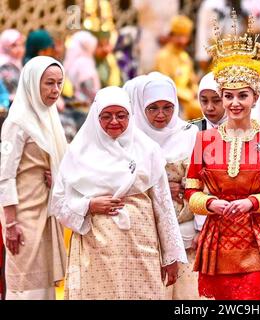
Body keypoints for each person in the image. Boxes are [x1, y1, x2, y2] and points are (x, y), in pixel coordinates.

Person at [185, 14, 260, 300]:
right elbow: (191, 191)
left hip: (259, 237)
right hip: (217, 237)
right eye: (228, 96)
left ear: (255, 97)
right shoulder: (205, 139)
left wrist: (251, 202)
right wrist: (211, 204)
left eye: (242, 96)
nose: (234, 103)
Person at [51, 86, 187, 299]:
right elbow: (59, 202)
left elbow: (163, 205)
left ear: (131, 116)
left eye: (121, 115)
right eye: (106, 116)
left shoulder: (148, 150)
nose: (114, 121)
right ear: (96, 117)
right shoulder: (78, 152)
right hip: (96, 247)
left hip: (141, 247)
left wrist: (170, 257)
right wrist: (89, 205)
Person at [129, 72, 201, 299]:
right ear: (141, 107)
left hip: (185, 230)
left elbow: (201, 180)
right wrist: (159, 188)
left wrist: (201, 227)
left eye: (168, 107)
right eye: (153, 108)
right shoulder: (132, 138)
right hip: (145, 232)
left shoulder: (188, 133)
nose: (161, 115)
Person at [0, 56, 67, 300]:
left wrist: (57, 175)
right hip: (23, 218)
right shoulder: (16, 123)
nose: (56, 90)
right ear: (32, 83)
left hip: (47, 213)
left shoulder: (50, 118)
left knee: (45, 289)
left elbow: (62, 160)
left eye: (59, 83)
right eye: (49, 83)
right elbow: (4, 177)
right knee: (26, 289)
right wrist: (10, 224)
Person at [155, 15, 202, 120]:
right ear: (171, 35)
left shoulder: (185, 56)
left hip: (188, 100)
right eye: (179, 36)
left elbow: (192, 81)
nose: (182, 40)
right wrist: (188, 95)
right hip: (172, 100)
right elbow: (166, 85)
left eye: (185, 36)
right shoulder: (163, 56)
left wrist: (195, 91)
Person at [133, 0, 179, 74]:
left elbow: (174, 17)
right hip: (148, 38)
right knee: (148, 69)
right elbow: (137, 6)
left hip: (168, 40)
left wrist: (169, 36)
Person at [64, 31, 101, 107]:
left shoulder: (72, 60)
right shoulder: (84, 62)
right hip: (86, 104)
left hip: (75, 102)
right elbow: (89, 86)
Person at [0, 29, 25, 105]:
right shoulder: (4, 66)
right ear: (5, 46)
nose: (19, 49)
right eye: (14, 45)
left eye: (21, 45)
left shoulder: (17, 62)